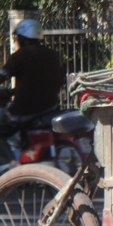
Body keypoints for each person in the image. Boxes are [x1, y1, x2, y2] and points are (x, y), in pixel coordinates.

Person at [0, 19, 65, 170]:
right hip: (50, 108)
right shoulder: (52, 55)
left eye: (18, 39)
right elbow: (59, 79)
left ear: (22, 38)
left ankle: (10, 165)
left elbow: (3, 75)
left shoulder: (21, 55)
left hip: (25, 111)